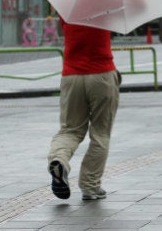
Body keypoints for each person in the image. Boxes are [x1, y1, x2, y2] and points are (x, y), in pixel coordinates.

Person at [47, 17, 120, 200]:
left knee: (70, 130)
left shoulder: (67, 7)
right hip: (102, 74)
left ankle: (59, 160)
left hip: (72, 76)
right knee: (100, 133)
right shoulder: (105, 5)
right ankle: (90, 185)